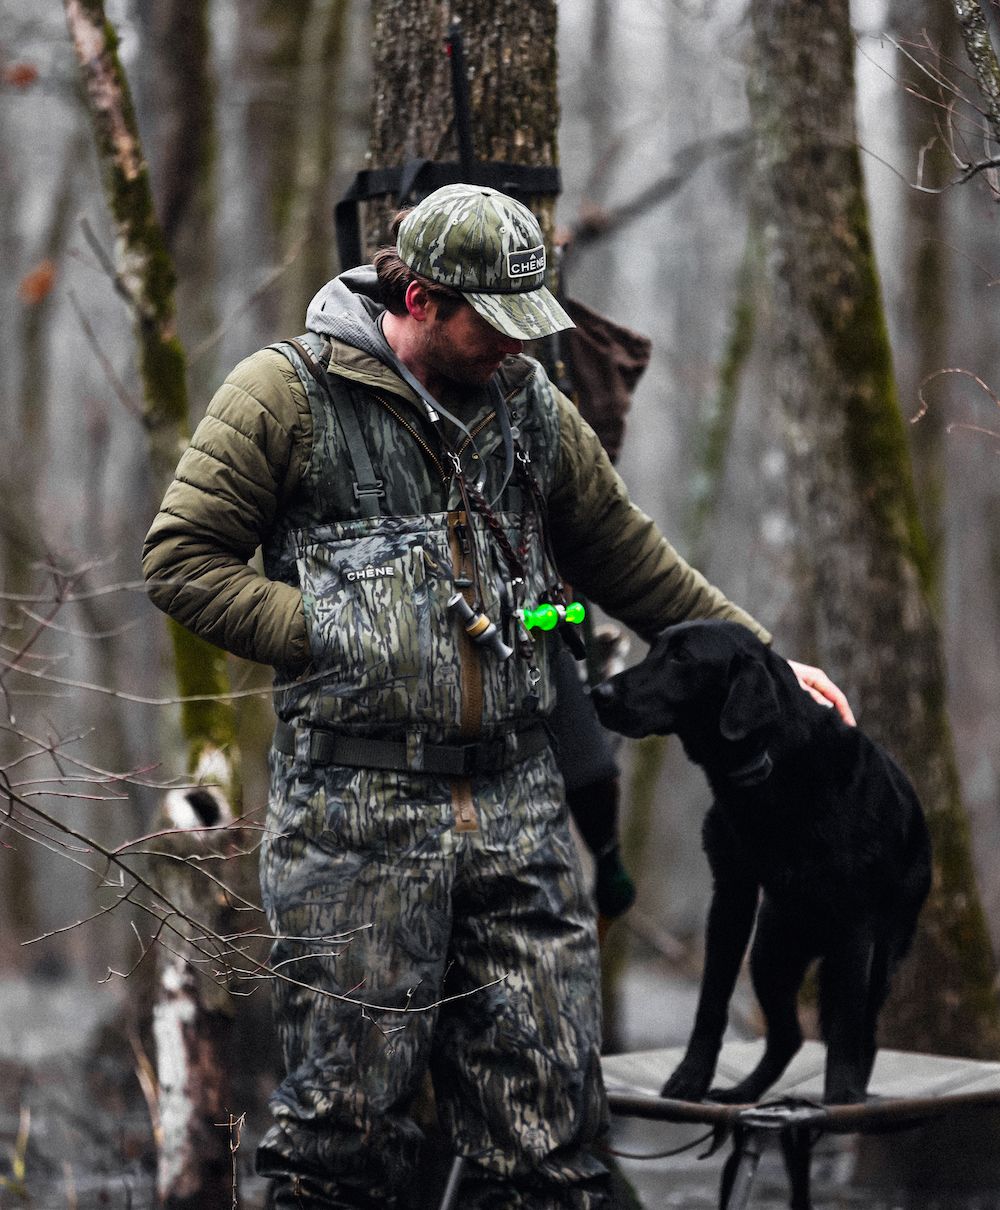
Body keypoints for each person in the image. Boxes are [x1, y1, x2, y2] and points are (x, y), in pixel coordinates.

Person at [142, 183, 853, 1210]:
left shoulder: (529, 407)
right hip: (356, 819)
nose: (518, 348)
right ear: (422, 297)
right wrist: (331, 631)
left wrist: (764, 657)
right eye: (496, 324)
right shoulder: (284, 395)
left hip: (517, 810)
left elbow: (627, 555)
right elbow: (180, 561)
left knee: (548, 1140)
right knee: (341, 1144)